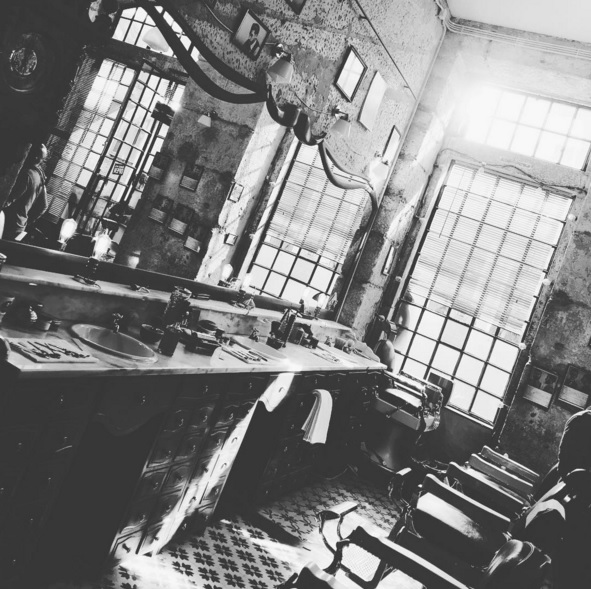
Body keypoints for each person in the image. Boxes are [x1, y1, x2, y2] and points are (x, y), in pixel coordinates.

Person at [2, 143, 49, 240]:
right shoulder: (40, 177)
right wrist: (25, 220)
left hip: (7, 224)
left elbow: (8, 200)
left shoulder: (25, 175)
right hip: (19, 227)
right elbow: (43, 206)